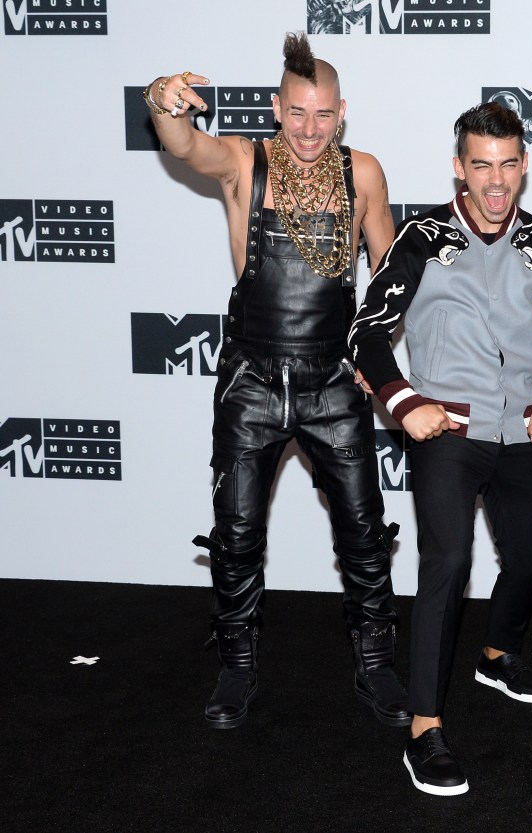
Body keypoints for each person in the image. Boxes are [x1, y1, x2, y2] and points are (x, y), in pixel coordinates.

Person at [143, 33, 410, 730]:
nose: (310, 129)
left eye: (323, 114)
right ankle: (236, 663)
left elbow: (389, 276)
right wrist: (164, 103)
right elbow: (184, 145)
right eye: (297, 112)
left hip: (334, 382)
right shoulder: (243, 160)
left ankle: (377, 661)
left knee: (363, 531)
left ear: (342, 112)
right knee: (235, 534)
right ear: (275, 107)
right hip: (251, 381)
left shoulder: (364, 172)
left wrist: (378, 359)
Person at [349, 102, 532, 796]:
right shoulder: (423, 237)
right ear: (459, 167)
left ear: (524, 165)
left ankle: (496, 653)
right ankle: (423, 727)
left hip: (521, 430)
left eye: (507, 164)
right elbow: (367, 331)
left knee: (529, 559)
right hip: (447, 433)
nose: (495, 181)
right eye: (481, 165)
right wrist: (405, 402)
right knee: (448, 564)